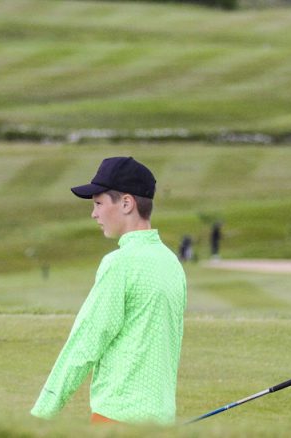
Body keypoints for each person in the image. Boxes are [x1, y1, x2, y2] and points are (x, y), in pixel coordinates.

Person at [31, 156, 187, 425]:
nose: (94, 213)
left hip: (116, 418)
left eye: (99, 203)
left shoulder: (119, 264)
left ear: (126, 203)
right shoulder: (172, 264)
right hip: (161, 421)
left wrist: (41, 414)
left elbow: (85, 343)